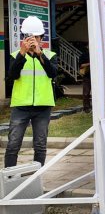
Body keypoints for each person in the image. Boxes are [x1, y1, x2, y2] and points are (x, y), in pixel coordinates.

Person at [5, 16, 57, 167]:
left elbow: (53, 73)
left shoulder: (50, 55)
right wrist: (22, 53)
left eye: (36, 37)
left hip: (43, 107)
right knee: (13, 144)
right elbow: (12, 76)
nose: (33, 40)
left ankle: (36, 178)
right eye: (30, 37)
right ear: (24, 38)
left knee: (40, 145)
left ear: (42, 38)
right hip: (21, 107)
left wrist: (40, 55)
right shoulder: (16, 56)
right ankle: (9, 180)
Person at [79, 45, 92, 113]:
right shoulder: (84, 55)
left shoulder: (97, 53)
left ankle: (94, 106)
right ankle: (86, 108)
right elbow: (81, 65)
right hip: (87, 76)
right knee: (86, 93)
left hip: (96, 76)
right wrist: (90, 63)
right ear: (87, 47)